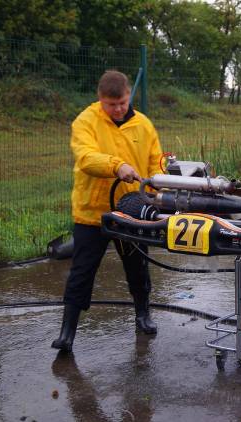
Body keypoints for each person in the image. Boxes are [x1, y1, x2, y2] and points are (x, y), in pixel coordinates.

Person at [52, 70, 163, 353]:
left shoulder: (144, 125)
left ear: (128, 95)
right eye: (111, 105)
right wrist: (116, 166)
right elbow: (86, 158)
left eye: (122, 103)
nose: (118, 109)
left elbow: (156, 163)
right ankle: (67, 333)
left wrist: (159, 187)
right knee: (82, 271)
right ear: (100, 99)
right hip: (93, 213)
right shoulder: (85, 121)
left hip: (132, 211)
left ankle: (143, 315)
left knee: (138, 266)